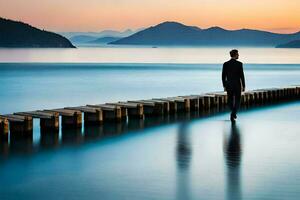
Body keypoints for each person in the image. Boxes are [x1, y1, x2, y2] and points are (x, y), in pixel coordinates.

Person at [222, 49, 245, 122]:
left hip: (229, 85)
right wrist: (243, 85)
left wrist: (224, 85)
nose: (238, 55)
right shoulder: (239, 64)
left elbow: (223, 76)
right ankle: (233, 113)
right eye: (238, 54)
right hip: (237, 85)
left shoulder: (225, 64)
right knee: (238, 100)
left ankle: (233, 112)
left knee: (230, 100)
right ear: (235, 55)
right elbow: (242, 76)